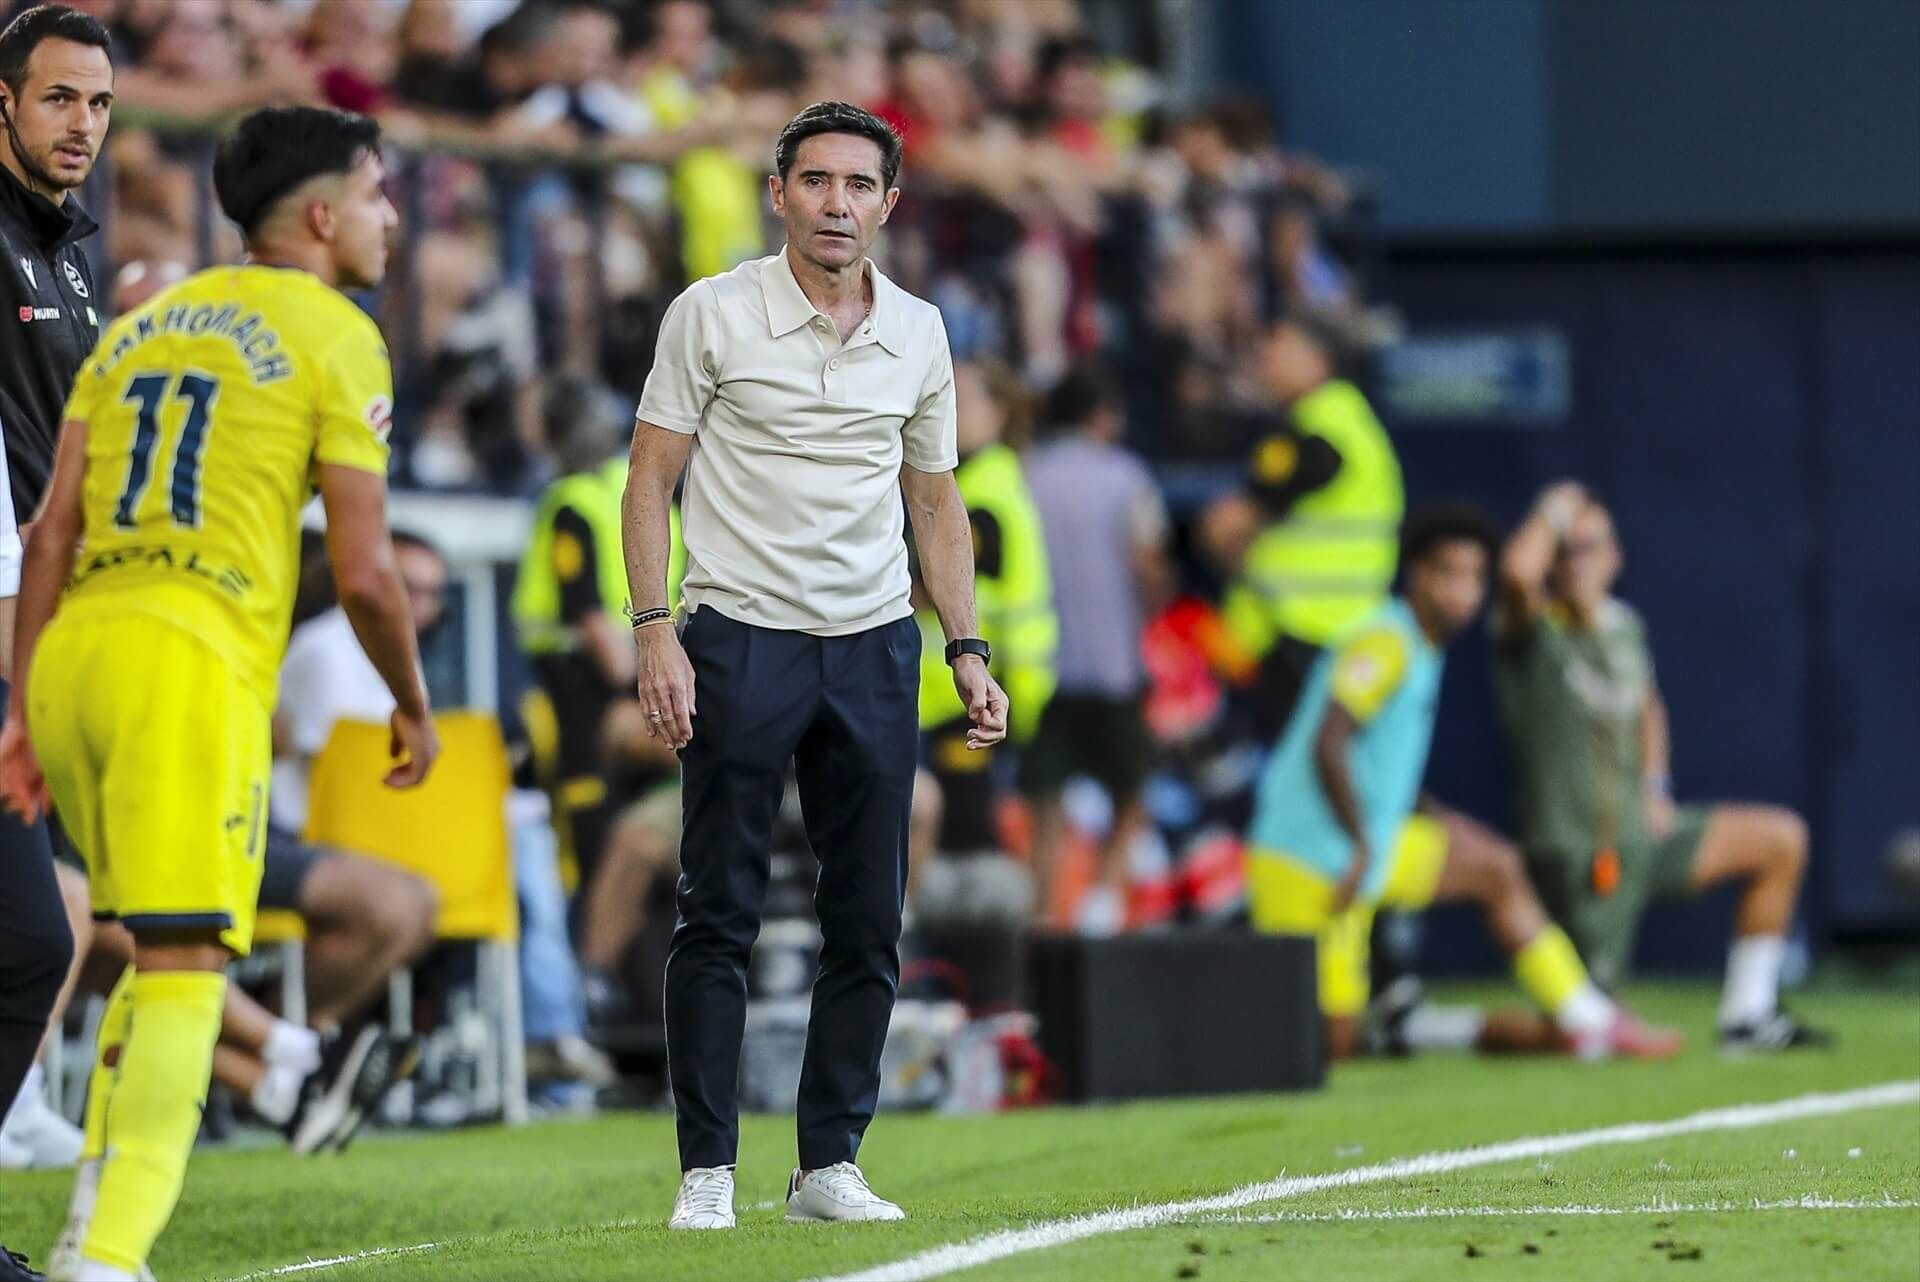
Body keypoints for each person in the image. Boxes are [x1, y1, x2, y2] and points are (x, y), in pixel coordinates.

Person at [0, 105, 438, 1282]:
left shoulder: (143, 325)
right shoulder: (339, 334)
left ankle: (103, 1224)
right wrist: (412, 700)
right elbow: (364, 571)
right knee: (186, 967)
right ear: (322, 212)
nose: (391, 218)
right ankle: (107, 1251)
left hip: (76, 656)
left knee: (147, 945)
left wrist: (20, 710)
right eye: (379, 192)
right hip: (188, 661)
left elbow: (47, 535)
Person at [624, 101, 1007, 1229]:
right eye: (817, 182)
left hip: (877, 643)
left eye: (859, 186)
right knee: (719, 911)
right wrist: (656, 626)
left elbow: (934, 501)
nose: (837, 204)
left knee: (868, 918)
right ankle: (706, 1170)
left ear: (889, 204)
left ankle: (828, 1163)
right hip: (741, 635)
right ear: (778, 193)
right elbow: (649, 478)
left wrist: (966, 646)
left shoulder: (923, 331)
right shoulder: (713, 314)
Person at [1244, 506, 1682, 1062]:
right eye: (1447, 574)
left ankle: (1590, 1019)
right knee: (1331, 1047)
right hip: (1307, 859)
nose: (1463, 592)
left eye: (1474, 577)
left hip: (1365, 849)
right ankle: (1407, 1027)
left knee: (1495, 867)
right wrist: (1357, 841)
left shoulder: (1421, 645)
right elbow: (1330, 741)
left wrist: (1432, 814)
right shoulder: (1386, 641)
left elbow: (1377, 763)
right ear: (1417, 575)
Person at [1496, 483, 1827, 1051]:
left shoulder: (1623, 625)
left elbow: (1648, 707)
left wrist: (1655, 784)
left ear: (1615, 556)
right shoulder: (1534, 629)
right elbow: (1516, 575)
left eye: (1589, 547)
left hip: (1641, 833)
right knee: (1585, 1030)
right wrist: (1551, 510)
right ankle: (1437, 1030)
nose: (1576, 562)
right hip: (1578, 849)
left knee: (1780, 839)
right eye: (1565, 549)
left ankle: (1749, 1016)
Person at [0, 12, 110, 1262]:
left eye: (97, 103)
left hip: (50, 624)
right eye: (59, 100)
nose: (82, 125)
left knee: (37, 938)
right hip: (11, 629)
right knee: (37, 936)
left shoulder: (72, 246)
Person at [1021, 361, 1173, 933]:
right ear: (1101, 415)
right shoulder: (1125, 476)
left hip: (1044, 668)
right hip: (1113, 666)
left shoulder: (1025, 474)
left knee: (1044, 800)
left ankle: (1042, 914)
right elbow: (1146, 564)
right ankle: (1104, 902)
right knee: (1131, 788)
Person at [910, 356, 1053, 929]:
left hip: (969, 698)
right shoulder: (986, 483)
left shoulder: (984, 497)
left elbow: (928, 588)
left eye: (965, 398)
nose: (952, 409)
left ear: (1000, 413)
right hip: (967, 695)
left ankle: (972, 985)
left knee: (966, 855)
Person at [1214, 311, 1403, 736]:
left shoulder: (1320, 434)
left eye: (1278, 346)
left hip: (1309, 638)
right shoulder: (1346, 424)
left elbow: (1224, 526)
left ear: (1318, 360)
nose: (1265, 358)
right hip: (1316, 636)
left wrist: (1234, 546)